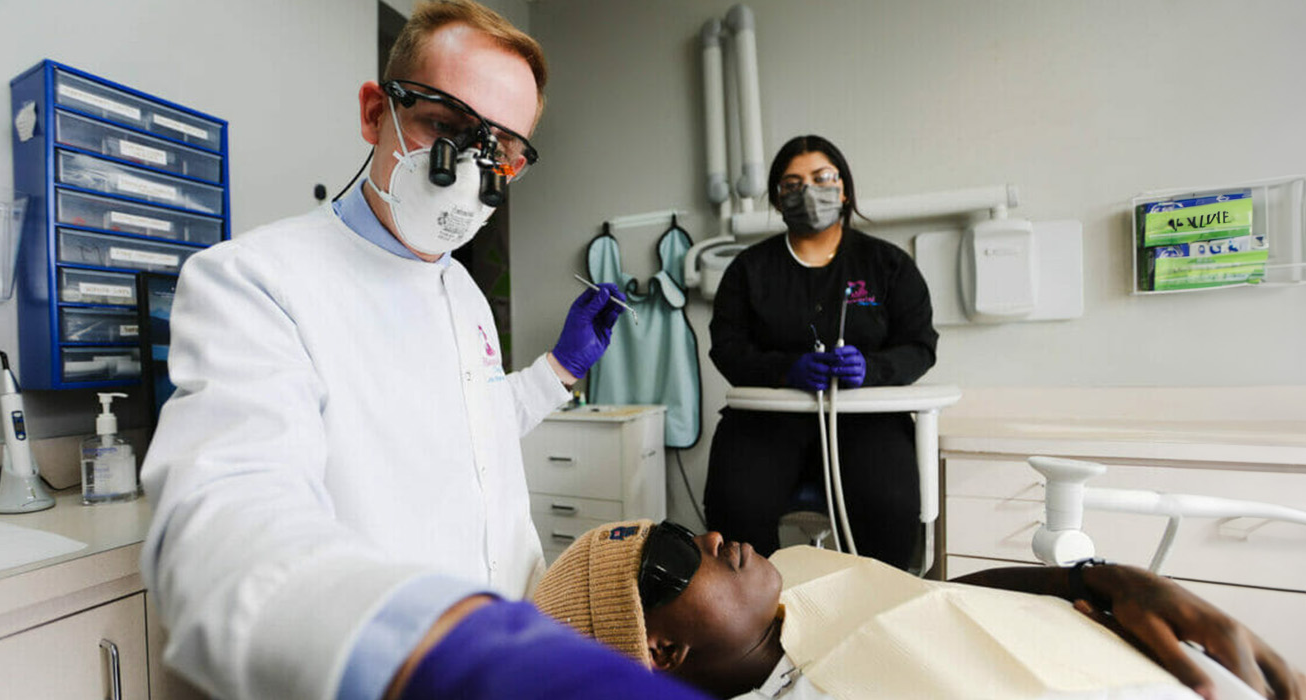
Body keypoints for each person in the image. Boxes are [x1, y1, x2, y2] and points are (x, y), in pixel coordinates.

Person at [140, 3, 701, 699]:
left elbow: (476, 428)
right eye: (444, 124)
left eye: (498, 149)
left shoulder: (460, 287)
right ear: (376, 112)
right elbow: (223, 530)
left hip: (512, 631)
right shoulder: (255, 282)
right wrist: (442, 651)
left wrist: (561, 369)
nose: (468, 169)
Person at [535, 520, 1304, 700]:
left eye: (682, 527)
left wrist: (1102, 579)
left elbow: (936, 596)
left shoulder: (797, 572)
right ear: (661, 652)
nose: (709, 534)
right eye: (672, 559)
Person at [705, 134, 940, 568]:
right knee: (735, 506)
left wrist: (870, 368)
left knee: (889, 506)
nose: (808, 192)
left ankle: (877, 610)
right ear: (777, 200)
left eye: (821, 178)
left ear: (844, 188)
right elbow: (728, 348)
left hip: (865, 421)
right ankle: (754, 622)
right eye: (792, 184)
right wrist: (784, 370)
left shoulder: (887, 265)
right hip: (766, 422)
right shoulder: (749, 270)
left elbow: (921, 345)